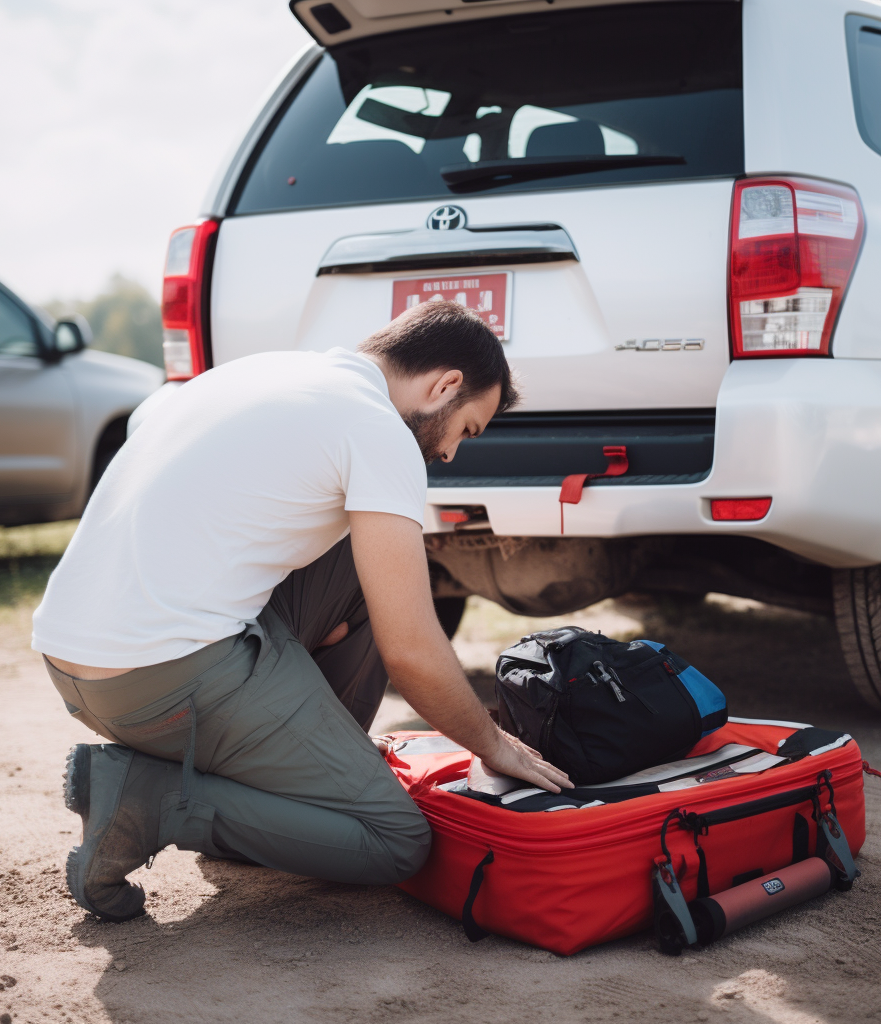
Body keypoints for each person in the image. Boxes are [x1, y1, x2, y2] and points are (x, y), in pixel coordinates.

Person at [32, 300, 573, 922]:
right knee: (394, 841)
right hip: (161, 679)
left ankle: (292, 789)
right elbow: (411, 650)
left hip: (72, 665)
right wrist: (492, 743)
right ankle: (152, 800)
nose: (451, 454)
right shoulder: (377, 429)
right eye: (466, 429)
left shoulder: (258, 374)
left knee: (371, 554)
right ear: (445, 385)